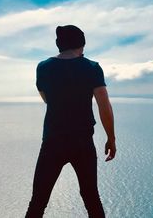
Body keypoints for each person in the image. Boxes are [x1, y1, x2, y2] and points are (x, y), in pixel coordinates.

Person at [25, 25, 116, 218]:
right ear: (81, 43)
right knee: (91, 197)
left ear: (59, 45)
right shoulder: (92, 67)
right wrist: (111, 138)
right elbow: (104, 106)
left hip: (52, 141)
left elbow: (47, 99)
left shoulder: (43, 67)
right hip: (82, 142)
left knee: (38, 200)